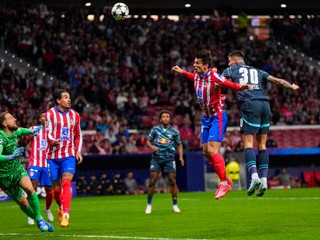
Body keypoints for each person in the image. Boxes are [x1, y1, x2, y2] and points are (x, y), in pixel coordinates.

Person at [171, 49, 251, 200]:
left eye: (197, 63)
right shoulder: (197, 76)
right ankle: (225, 179)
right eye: (194, 62)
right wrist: (181, 71)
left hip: (217, 117)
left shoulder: (214, 77)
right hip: (205, 118)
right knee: (206, 152)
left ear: (206, 66)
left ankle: (224, 183)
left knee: (213, 151)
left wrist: (243, 86)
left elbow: (229, 85)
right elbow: (192, 76)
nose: (194, 65)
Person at [222, 50, 300, 197]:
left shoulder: (231, 70)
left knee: (248, 143)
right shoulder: (257, 71)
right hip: (265, 104)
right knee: (262, 145)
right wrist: (291, 86)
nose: (228, 63)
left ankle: (254, 177)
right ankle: (264, 180)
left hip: (249, 104)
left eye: (228, 60)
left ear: (234, 59)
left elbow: (218, 81)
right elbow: (278, 81)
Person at [0, 111, 54, 232]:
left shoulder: (16, 131)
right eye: (11, 117)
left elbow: (25, 130)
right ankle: (39, 219)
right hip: (3, 176)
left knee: (30, 189)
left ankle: (39, 220)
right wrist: (10, 156)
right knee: (23, 203)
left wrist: (35, 130)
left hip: (17, 169)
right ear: (4, 123)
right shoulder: (1, 137)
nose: (14, 119)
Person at [45, 89, 83, 227]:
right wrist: (51, 140)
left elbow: (78, 134)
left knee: (66, 182)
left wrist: (78, 151)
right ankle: (60, 208)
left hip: (68, 154)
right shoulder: (50, 114)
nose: (69, 99)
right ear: (58, 100)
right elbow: (46, 133)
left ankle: (66, 213)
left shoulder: (75, 115)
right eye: (65, 97)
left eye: (69, 97)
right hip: (52, 156)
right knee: (56, 189)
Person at [145, 110, 184, 214]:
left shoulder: (175, 132)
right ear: (160, 119)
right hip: (156, 158)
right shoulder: (155, 130)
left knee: (172, 181)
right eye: (164, 117)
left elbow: (179, 144)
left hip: (169, 158)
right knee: (153, 180)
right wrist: (151, 146)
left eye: (168, 116)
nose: (166, 118)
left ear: (170, 119)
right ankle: (149, 205)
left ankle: (175, 205)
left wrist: (180, 157)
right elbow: (148, 140)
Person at [23, 111, 54, 225]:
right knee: (32, 189)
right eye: (43, 116)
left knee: (50, 191)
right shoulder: (33, 129)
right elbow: (24, 143)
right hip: (35, 163)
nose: (45, 118)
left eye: (46, 116)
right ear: (40, 119)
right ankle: (32, 215)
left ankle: (47, 209)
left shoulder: (52, 131)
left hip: (47, 164)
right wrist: (26, 138)